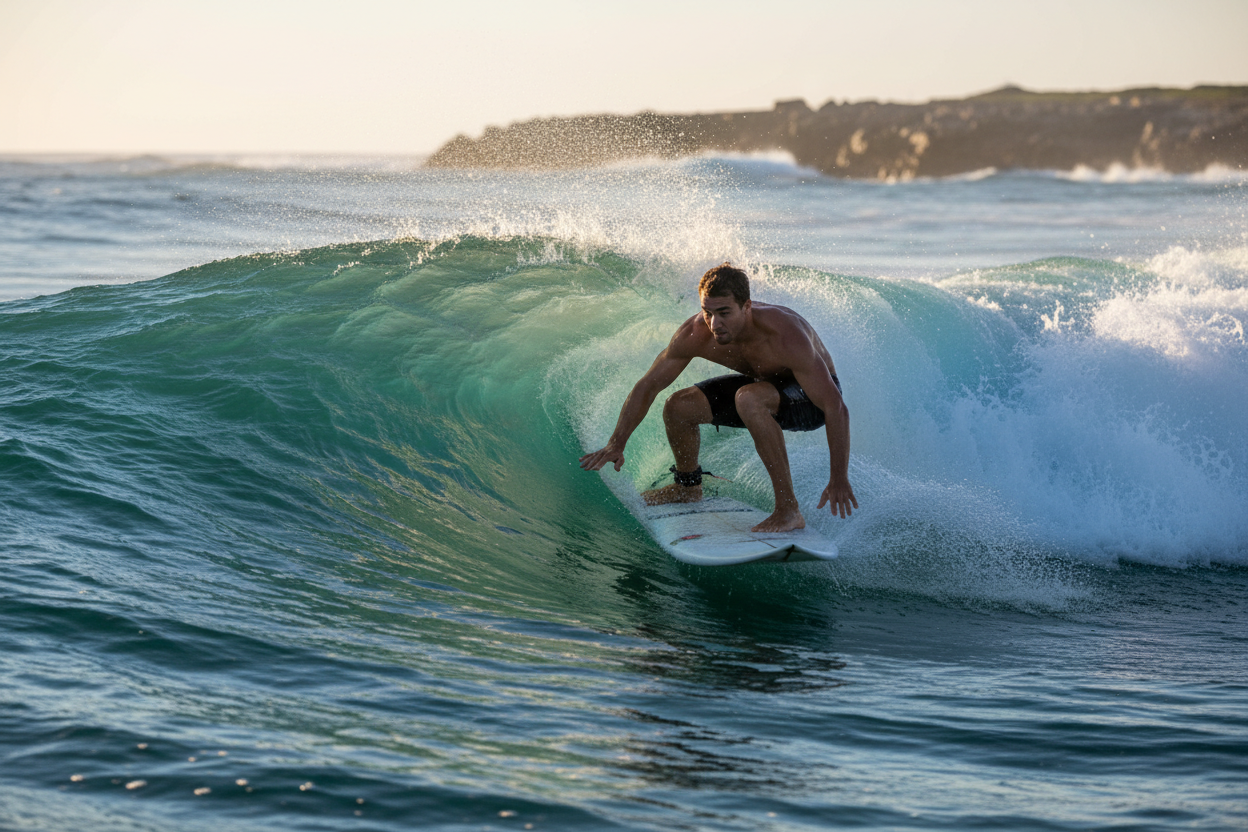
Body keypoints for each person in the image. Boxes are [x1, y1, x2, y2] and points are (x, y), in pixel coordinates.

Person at [579, 263, 856, 533]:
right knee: (678, 406)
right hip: (762, 388)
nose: (714, 323)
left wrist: (839, 477)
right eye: (707, 312)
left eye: (724, 312)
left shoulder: (784, 334)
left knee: (748, 398)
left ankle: (788, 510)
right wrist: (617, 442)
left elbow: (835, 407)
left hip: (812, 399)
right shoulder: (695, 333)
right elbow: (648, 386)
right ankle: (688, 488)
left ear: (747, 306)